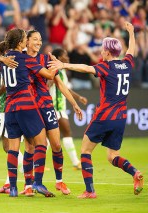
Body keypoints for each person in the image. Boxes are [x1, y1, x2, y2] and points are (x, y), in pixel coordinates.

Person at [48, 22, 144, 199]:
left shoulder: (105, 67)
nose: (101, 52)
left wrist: (63, 65)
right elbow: (131, 50)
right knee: (112, 156)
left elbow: (86, 68)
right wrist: (131, 33)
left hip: (105, 115)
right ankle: (135, 172)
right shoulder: (127, 64)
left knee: (85, 151)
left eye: (102, 49)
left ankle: (90, 191)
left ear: (108, 52)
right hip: (121, 117)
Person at [0, 28, 55, 197]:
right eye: (26, 39)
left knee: (13, 148)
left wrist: (1, 57)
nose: (27, 41)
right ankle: (38, 183)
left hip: (10, 108)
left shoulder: (4, 61)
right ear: (21, 42)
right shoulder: (26, 59)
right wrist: (56, 65)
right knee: (42, 143)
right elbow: (49, 75)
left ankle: (13, 188)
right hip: (27, 105)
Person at [49, 48, 88, 170]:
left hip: (60, 108)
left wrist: (78, 97)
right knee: (63, 134)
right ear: (59, 58)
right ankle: (76, 162)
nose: (68, 57)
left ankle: (36, 164)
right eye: (65, 55)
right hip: (54, 108)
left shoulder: (62, 72)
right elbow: (48, 84)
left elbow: (65, 88)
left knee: (52, 137)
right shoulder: (54, 71)